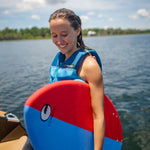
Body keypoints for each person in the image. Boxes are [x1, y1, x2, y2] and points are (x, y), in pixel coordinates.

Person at [49, 8, 105, 150]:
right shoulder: (59, 59)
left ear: (78, 30)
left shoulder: (89, 65)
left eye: (64, 34)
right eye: (54, 35)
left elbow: (99, 115)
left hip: (79, 131)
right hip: (57, 126)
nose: (59, 41)